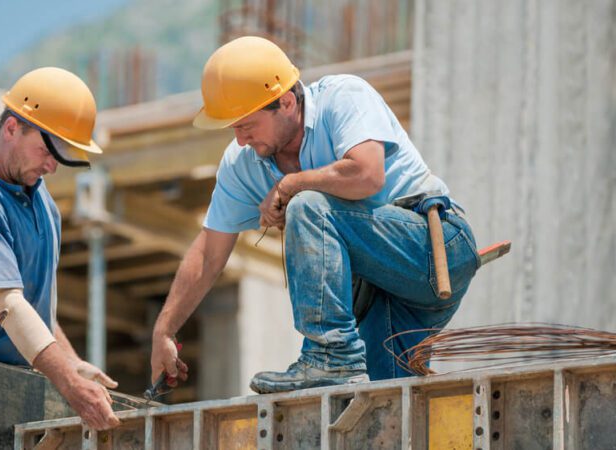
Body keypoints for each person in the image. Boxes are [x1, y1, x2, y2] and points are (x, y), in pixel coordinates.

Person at [150, 36, 480, 394]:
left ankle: (330, 357)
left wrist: (293, 184)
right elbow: (208, 253)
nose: (241, 140)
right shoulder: (242, 163)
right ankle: (338, 362)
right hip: (382, 295)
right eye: (234, 129)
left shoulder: (343, 98)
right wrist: (164, 330)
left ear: (287, 102)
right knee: (385, 404)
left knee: (308, 205)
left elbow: (368, 174)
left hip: (434, 248)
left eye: (247, 125)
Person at [0, 67, 120, 429]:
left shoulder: (42, 203)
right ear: (12, 128)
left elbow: (31, 307)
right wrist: (70, 385)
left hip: (14, 386)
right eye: (46, 150)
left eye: (59, 156)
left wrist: (72, 364)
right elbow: (9, 306)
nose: (51, 166)